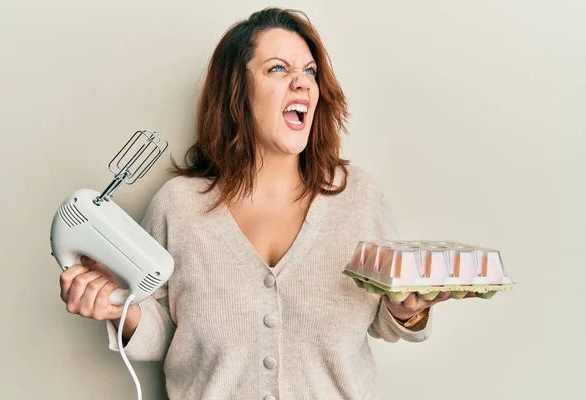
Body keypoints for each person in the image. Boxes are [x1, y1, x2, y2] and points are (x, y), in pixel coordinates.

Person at [59, 7, 468, 399]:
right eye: (278, 68)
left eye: (309, 71)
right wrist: (115, 305)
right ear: (237, 90)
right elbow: (161, 331)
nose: (303, 82)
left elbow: (384, 317)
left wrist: (408, 311)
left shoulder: (357, 198)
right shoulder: (178, 207)